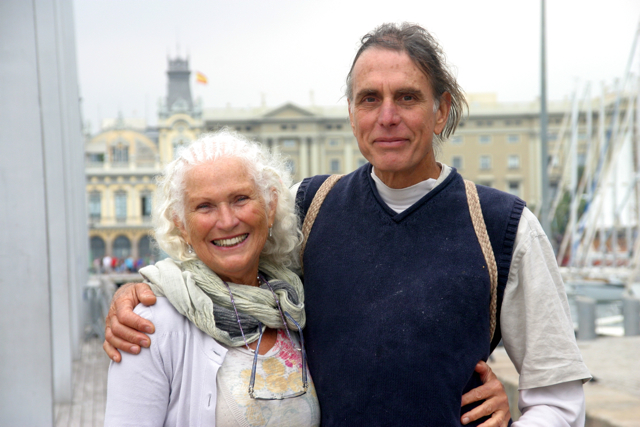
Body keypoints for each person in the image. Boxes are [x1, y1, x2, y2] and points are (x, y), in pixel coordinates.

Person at [105, 22, 591, 426]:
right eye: (368, 99)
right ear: (352, 113)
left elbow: (557, 396)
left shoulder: (504, 228)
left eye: (407, 98)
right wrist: (141, 291)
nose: (387, 117)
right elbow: (225, 261)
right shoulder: (309, 206)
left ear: (441, 110)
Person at [105, 132, 320, 426]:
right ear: (181, 224)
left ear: (270, 207)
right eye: (205, 206)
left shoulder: (295, 305)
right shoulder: (148, 326)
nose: (227, 220)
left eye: (240, 199)